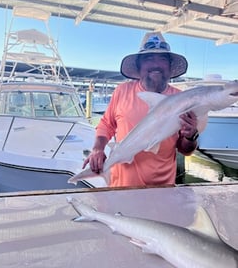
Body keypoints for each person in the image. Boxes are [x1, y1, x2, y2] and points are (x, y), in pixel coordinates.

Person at [83, 32, 202, 187]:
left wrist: (191, 136)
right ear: (139, 67)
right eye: (148, 58)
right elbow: (106, 124)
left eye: (163, 59)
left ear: (170, 66)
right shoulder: (122, 91)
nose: (156, 64)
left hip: (163, 189)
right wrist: (98, 149)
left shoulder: (182, 99)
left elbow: (185, 150)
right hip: (122, 188)